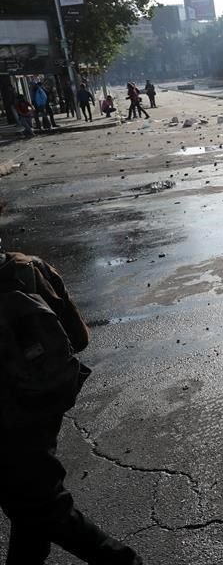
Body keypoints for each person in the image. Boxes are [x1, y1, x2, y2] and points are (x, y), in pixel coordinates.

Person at [0, 231, 144, 564]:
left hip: (7, 427)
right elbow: (77, 339)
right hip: (41, 410)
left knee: (44, 509)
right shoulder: (29, 268)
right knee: (31, 508)